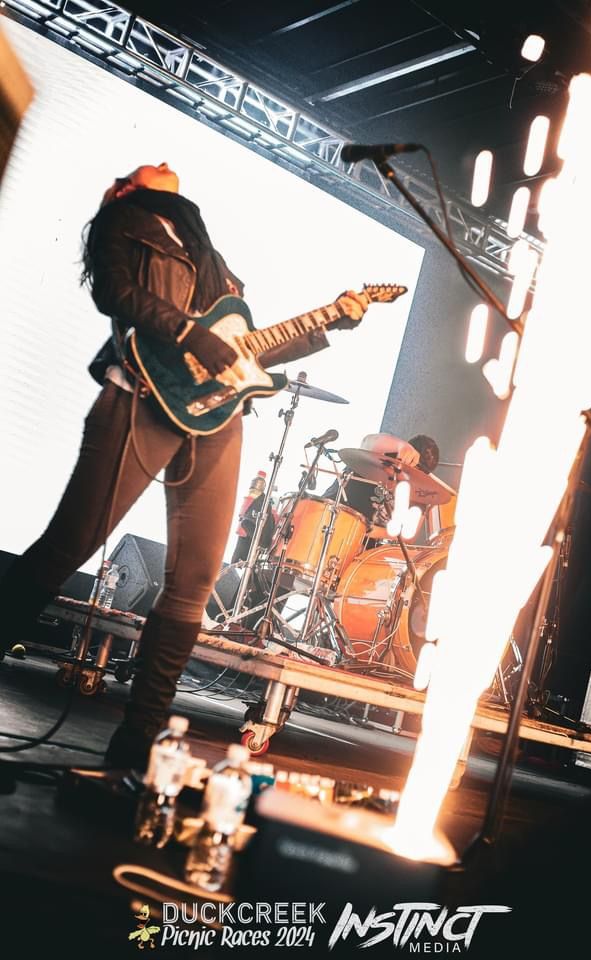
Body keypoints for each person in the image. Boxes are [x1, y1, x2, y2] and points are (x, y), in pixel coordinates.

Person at [0, 162, 368, 769]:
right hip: (141, 397)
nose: (166, 165)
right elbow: (115, 293)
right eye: (150, 167)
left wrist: (328, 323)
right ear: (128, 185)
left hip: (217, 417)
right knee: (68, 546)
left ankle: (134, 748)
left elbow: (245, 349)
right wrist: (190, 336)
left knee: (195, 580)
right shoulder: (124, 221)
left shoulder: (207, 253)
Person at [323, 432, 440, 540]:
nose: (410, 476)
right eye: (411, 469)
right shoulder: (379, 456)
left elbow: (408, 537)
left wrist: (367, 530)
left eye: (418, 474)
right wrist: (400, 446)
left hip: (362, 548)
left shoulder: (419, 492)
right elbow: (367, 441)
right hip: (328, 520)